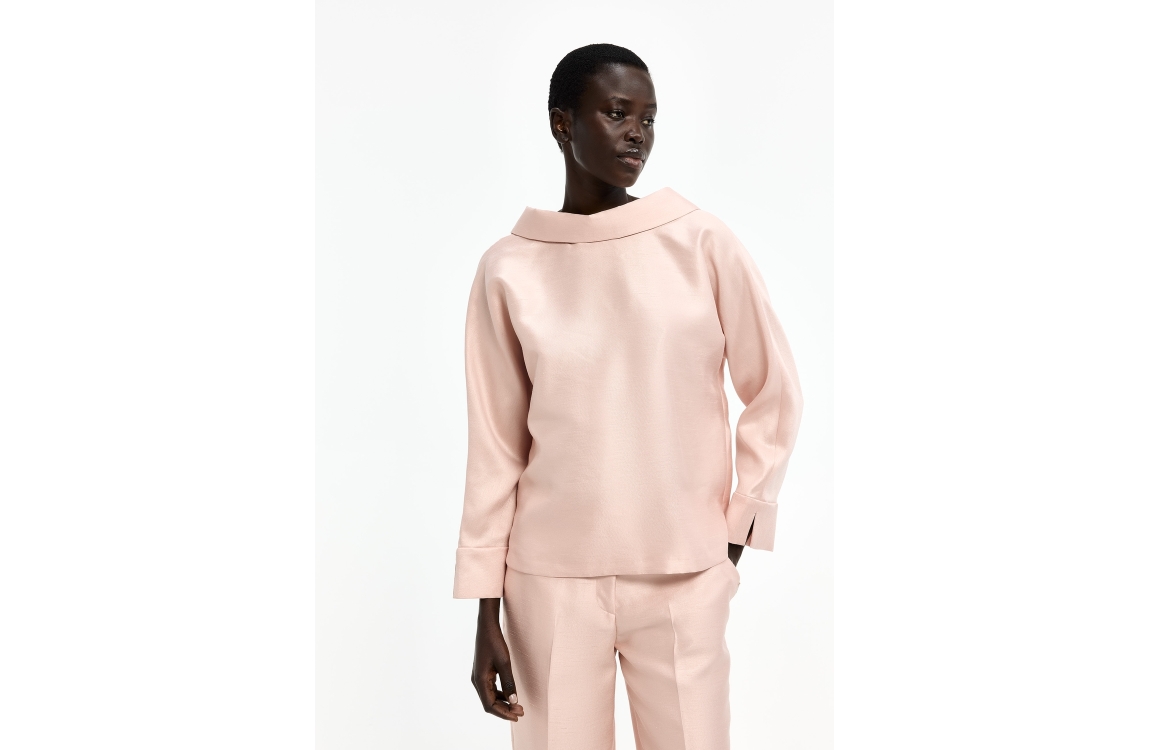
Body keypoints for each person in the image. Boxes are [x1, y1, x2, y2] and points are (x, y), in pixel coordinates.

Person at [452, 43, 803, 749]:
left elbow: (773, 389)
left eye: (648, 118)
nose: (637, 133)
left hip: (683, 572)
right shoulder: (508, 268)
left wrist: (734, 535)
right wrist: (485, 608)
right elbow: (495, 446)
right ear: (562, 124)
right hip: (547, 581)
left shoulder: (700, 242)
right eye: (617, 113)